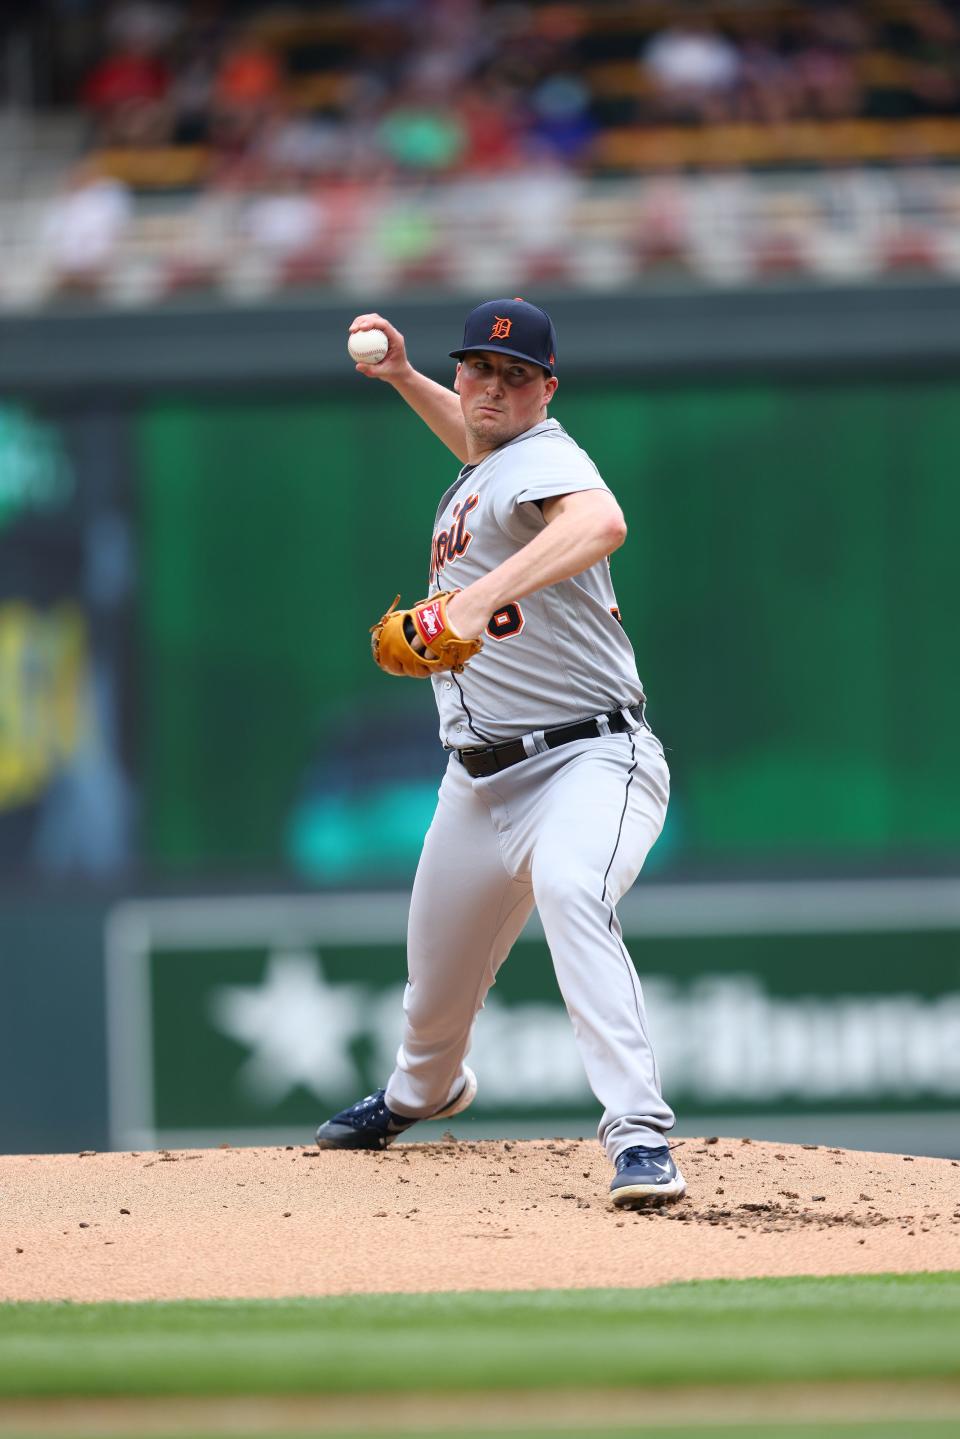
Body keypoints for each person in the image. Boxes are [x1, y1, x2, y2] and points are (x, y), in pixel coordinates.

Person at [315, 298, 685, 1207]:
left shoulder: (550, 457)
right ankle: (421, 1093)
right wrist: (406, 377)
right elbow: (477, 440)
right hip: (478, 782)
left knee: (571, 888)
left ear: (545, 390)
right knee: (433, 989)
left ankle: (638, 1132)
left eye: (515, 375)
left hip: (590, 761)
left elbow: (600, 524)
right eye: (479, 366)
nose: (490, 385)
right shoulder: (494, 463)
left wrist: (477, 600)